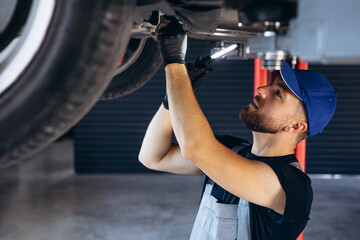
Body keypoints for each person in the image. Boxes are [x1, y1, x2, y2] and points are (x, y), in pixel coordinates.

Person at [138, 16, 337, 240]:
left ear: (296, 125)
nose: (262, 89)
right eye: (271, 84)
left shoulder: (290, 187)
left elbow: (195, 147)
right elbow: (154, 157)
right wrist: (170, 100)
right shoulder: (231, 150)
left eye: (278, 93)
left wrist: (174, 63)